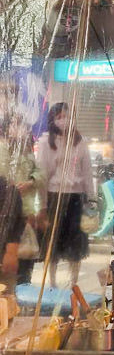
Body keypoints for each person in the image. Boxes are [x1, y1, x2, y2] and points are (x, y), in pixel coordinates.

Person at [36, 102, 96, 289]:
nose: (64, 120)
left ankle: (74, 283)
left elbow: (87, 172)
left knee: (76, 243)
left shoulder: (80, 142)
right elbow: (43, 176)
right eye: (60, 117)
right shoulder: (46, 142)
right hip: (54, 196)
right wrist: (43, 206)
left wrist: (91, 198)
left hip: (76, 198)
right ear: (53, 119)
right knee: (53, 243)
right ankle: (52, 282)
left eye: (67, 116)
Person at [0, 115, 45, 284]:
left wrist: (30, 181)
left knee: (26, 262)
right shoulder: (3, 149)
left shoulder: (28, 153)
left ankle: (20, 299)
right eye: (15, 124)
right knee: (9, 265)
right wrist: (11, 187)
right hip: (7, 214)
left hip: (26, 212)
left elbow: (41, 174)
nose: (20, 129)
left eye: (22, 125)